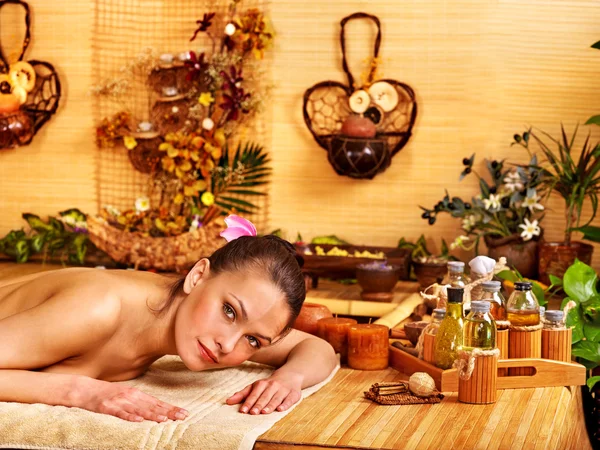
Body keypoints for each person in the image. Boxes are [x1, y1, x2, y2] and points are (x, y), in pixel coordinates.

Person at [0, 215, 337, 423]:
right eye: (229, 311)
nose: (228, 345)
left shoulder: (212, 332)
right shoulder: (98, 309)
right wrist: (80, 392)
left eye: (254, 340)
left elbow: (315, 347)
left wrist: (287, 380)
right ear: (198, 275)